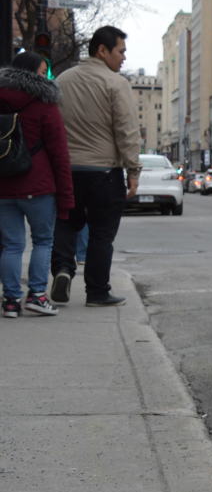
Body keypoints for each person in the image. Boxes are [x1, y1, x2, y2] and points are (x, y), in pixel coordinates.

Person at [49, 26, 140, 307]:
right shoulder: (116, 83)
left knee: (66, 224)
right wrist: (133, 171)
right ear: (102, 50)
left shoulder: (62, 81)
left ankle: (63, 269)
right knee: (102, 233)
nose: (124, 58)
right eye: (120, 51)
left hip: (67, 171)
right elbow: (126, 130)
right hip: (104, 172)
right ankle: (97, 292)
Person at [0, 52, 74, 317]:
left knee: (11, 245)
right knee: (43, 241)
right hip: (39, 186)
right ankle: (37, 295)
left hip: (3, 187)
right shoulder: (44, 104)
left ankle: (10, 301)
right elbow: (59, 154)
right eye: (44, 72)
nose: (47, 76)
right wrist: (67, 197)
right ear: (33, 72)